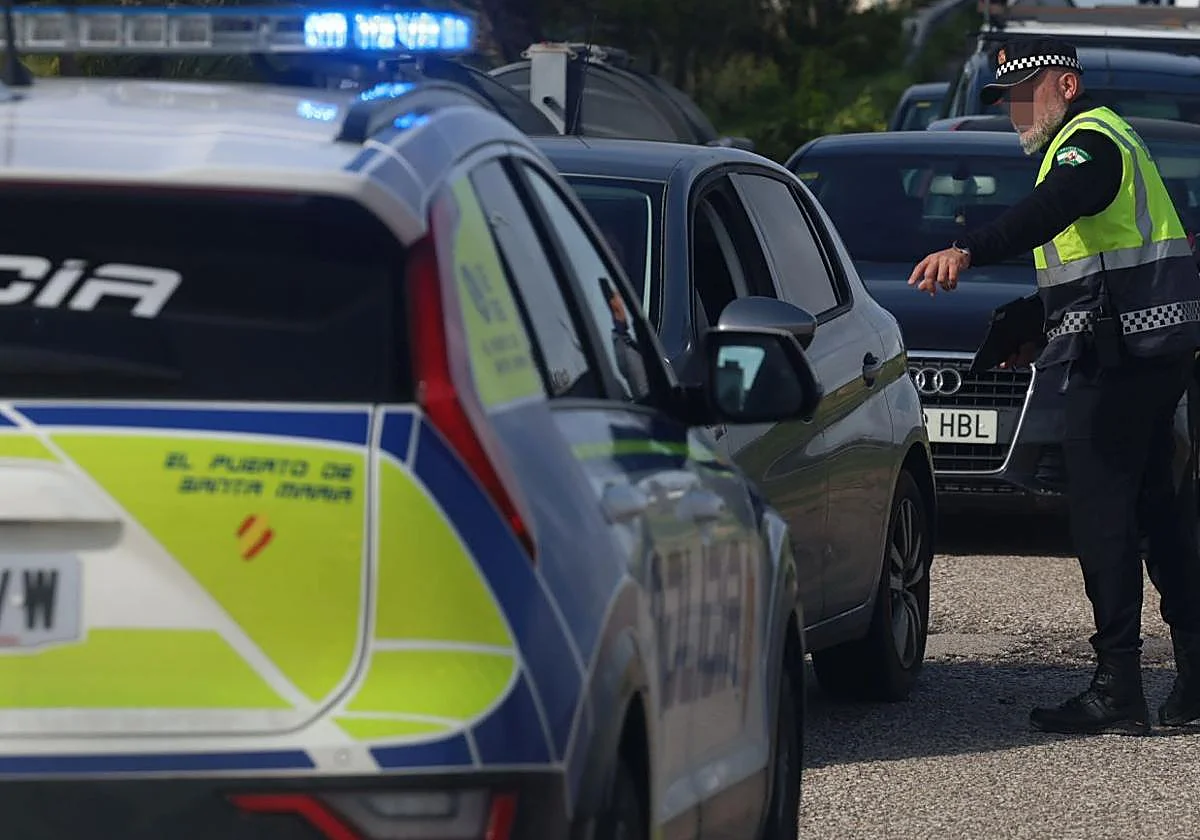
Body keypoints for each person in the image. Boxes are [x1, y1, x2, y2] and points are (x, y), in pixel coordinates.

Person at [907, 38, 1200, 736]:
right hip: (1146, 348)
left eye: (1021, 93)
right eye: (1003, 99)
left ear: (1064, 84)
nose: (1012, 111)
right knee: (1159, 514)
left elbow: (1053, 209)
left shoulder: (1086, 145)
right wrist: (1035, 326)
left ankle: (1116, 688)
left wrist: (968, 248)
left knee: (1104, 519)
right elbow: (1092, 265)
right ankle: (1194, 676)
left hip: (1123, 356)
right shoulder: (1099, 142)